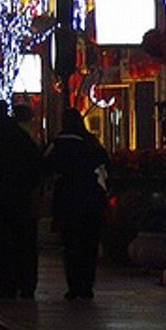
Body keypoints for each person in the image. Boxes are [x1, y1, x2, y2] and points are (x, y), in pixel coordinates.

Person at [0, 101, 45, 299]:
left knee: (0, 243)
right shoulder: (20, 137)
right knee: (24, 244)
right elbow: (36, 167)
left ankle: (0, 286)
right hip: (20, 199)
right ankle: (25, 285)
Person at [44, 108, 111, 300]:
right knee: (89, 246)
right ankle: (87, 285)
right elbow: (105, 166)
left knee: (71, 245)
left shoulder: (58, 144)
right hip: (91, 200)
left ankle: (74, 285)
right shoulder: (91, 143)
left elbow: (45, 167)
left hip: (67, 202)